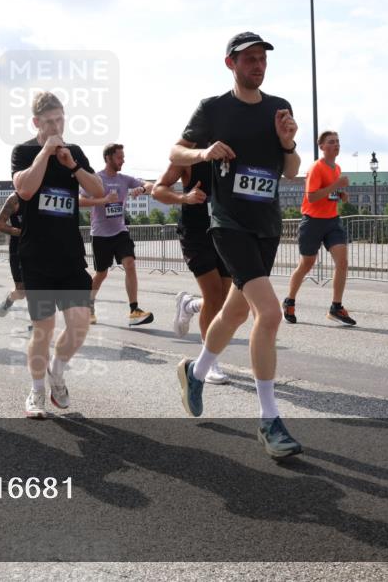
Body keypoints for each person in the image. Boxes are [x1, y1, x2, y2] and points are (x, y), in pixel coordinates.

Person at [170, 31, 303, 458]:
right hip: (227, 223)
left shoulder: (278, 109)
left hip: (267, 224)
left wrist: (288, 143)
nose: (258, 65)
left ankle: (196, 371)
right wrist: (204, 153)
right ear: (231, 64)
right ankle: (268, 419)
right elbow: (175, 152)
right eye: (249, 59)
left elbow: (292, 170)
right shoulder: (213, 109)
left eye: (262, 58)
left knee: (237, 310)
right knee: (268, 313)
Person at [12, 92, 104, 419]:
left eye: (60, 119)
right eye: (49, 121)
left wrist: (72, 165)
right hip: (36, 257)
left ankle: (57, 370)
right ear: (36, 122)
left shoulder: (73, 152)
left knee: (79, 325)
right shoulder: (24, 151)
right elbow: (24, 189)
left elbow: (97, 190)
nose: (56, 126)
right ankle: (36, 392)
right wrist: (45, 153)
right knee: (44, 329)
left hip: (69, 256)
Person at [152, 156, 231, 385]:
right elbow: (158, 190)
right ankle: (209, 363)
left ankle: (188, 305)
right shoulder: (188, 155)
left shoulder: (232, 152)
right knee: (214, 295)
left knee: (223, 302)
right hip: (196, 234)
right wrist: (184, 197)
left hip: (225, 232)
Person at [283, 130, 356, 326]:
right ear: (321, 147)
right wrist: (337, 186)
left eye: (338, 141)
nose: (336, 145)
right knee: (306, 264)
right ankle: (289, 300)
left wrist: (342, 196)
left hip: (332, 221)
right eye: (331, 142)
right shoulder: (316, 168)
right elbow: (312, 197)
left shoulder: (337, 168)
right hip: (312, 221)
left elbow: (331, 194)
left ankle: (336, 307)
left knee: (342, 262)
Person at [81, 143, 154, 326]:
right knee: (101, 273)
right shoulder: (96, 179)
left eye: (123, 156)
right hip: (100, 234)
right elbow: (79, 200)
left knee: (129, 263)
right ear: (108, 158)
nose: (123, 160)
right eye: (119, 157)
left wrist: (142, 189)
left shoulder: (124, 179)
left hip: (120, 231)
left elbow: (151, 186)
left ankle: (134, 310)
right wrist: (103, 200)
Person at [0, 192, 26, 318]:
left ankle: (36, 324)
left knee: (37, 285)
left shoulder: (42, 195)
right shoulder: (14, 199)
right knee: (22, 291)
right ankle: (9, 300)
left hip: (37, 248)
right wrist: (24, 233)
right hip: (18, 248)